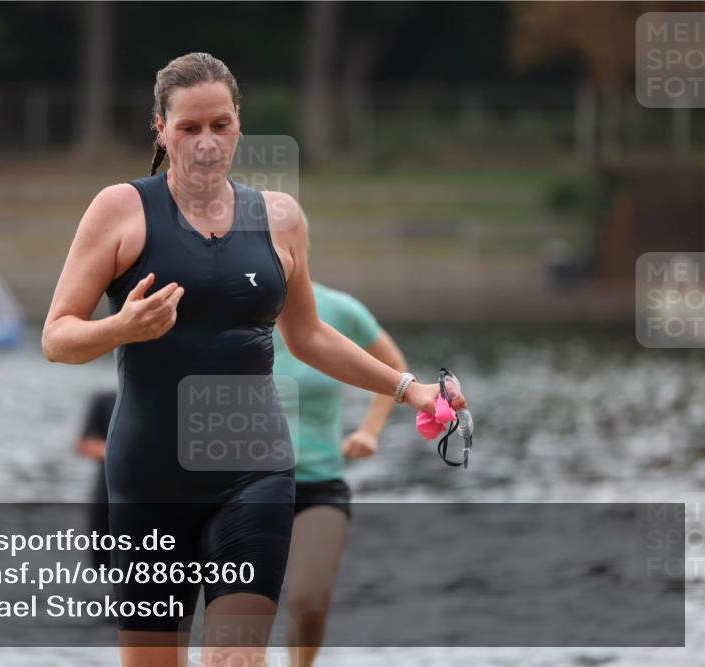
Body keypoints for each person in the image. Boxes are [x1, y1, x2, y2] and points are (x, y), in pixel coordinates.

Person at [42, 52, 466, 667]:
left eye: (220, 125)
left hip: (253, 472)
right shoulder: (120, 210)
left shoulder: (281, 220)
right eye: (189, 128)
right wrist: (121, 327)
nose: (206, 143)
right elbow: (57, 337)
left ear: (239, 124)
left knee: (234, 660)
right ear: (160, 129)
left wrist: (411, 389)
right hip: (147, 481)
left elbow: (310, 336)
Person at [275, 281, 407, 667]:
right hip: (241, 484)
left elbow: (396, 369)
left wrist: (370, 430)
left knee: (309, 600)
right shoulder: (227, 300)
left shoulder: (340, 309)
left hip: (319, 482)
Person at [76, 389, 117, 570]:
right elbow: (84, 444)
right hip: (107, 491)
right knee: (101, 565)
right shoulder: (105, 399)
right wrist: (125, 451)